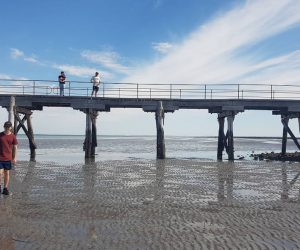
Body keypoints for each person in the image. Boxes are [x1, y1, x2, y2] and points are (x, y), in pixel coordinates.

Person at [0, 121, 18, 195]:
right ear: (4, 127)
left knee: (7, 173)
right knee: (0, 173)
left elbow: (15, 147)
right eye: (6, 126)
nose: (7, 128)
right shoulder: (0, 135)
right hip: (0, 158)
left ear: (11, 127)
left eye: (8, 126)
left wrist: (15, 158)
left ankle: (5, 188)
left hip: (8, 158)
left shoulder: (13, 136)